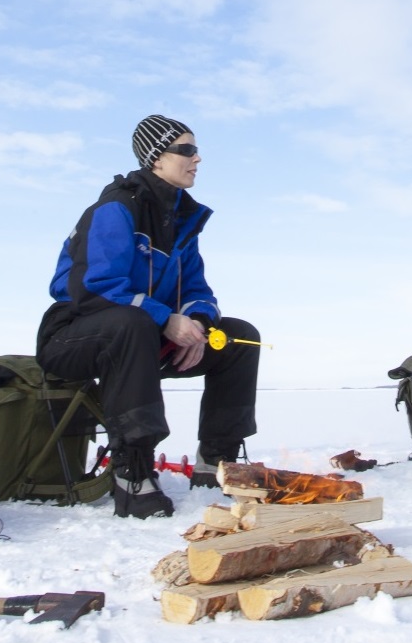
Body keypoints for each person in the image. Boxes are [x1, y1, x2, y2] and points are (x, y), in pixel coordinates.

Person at [35, 114, 260, 518]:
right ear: (156, 157)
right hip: (73, 336)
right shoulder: (116, 209)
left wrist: (200, 326)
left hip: (141, 335)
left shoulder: (182, 224)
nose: (197, 158)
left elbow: (197, 291)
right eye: (187, 150)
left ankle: (217, 462)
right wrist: (165, 320)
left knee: (239, 338)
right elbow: (95, 287)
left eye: (197, 150)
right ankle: (132, 467)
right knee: (133, 322)